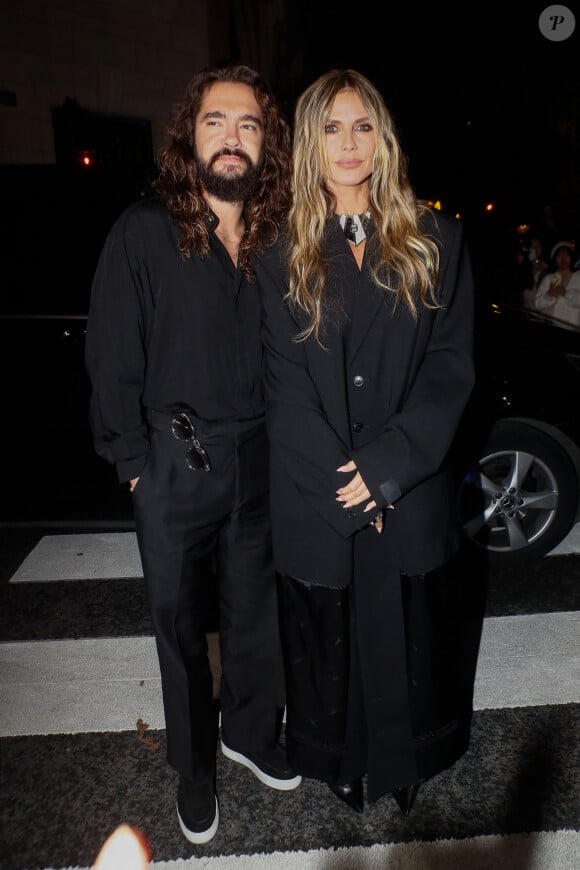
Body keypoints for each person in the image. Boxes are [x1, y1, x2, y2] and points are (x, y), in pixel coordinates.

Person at [84, 62, 300, 847]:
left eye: (247, 125)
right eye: (216, 122)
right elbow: (112, 355)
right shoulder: (145, 230)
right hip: (174, 462)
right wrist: (134, 463)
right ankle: (194, 763)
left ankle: (249, 731)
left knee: (255, 616)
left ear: (265, 143)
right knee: (178, 629)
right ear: (190, 137)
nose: (232, 138)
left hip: (259, 461)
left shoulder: (275, 235)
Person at [255, 69, 477, 817]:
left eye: (363, 127)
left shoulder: (437, 239)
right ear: (309, 143)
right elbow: (280, 386)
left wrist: (386, 470)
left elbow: (451, 367)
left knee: (411, 636)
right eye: (330, 128)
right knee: (332, 639)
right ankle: (344, 760)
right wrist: (343, 483)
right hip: (317, 490)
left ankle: (408, 758)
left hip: (408, 484)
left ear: (383, 139)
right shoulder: (276, 250)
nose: (348, 144)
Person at [534, 240, 580, 329]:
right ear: (554, 258)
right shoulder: (548, 278)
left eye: (567, 255)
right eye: (559, 255)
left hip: (570, 327)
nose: (563, 258)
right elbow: (537, 304)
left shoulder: (578, 277)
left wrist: (565, 293)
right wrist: (549, 295)